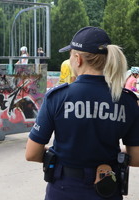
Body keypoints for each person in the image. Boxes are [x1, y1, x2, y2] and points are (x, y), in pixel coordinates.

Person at [25, 27, 139, 200]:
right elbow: (136, 158)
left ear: (77, 59)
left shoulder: (57, 97)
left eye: (70, 55)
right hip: (107, 189)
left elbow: (32, 153)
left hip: (64, 189)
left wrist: (61, 155)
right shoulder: (127, 101)